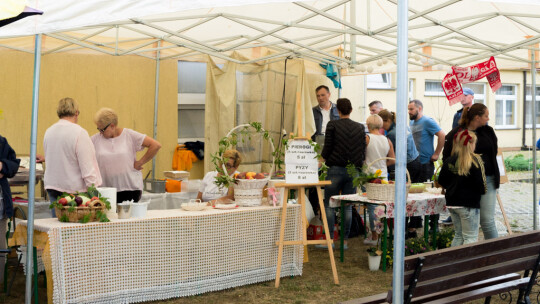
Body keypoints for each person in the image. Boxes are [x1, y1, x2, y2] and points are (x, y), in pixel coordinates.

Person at [443, 103, 499, 240]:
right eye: (486, 116)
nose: (488, 118)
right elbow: (447, 158)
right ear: (477, 117)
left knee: (487, 220)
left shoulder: (488, 131)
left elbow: (494, 152)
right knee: (463, 231)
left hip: (487, 180)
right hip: (464, 184)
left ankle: (495, 253)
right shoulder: (455, 134)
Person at [319, 98, 366, 250]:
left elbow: (327, 147)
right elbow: (362, 150)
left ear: (337, 110)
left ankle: (330, 240)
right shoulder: (360, 127)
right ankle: (344, 242)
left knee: (330, 204)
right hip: (353, 171)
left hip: (335, 169)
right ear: (351, 110)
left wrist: (321, 160)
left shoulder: (332, 125)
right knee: (346, 206)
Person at [92, 108, 162, 203]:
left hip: (129, 188)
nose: (100, 132)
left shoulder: (129, 135)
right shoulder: (95, 139)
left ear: (112, 126)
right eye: (98, 129)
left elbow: (155, 145)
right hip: (106, 191)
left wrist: (140, 162)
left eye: (102, 129)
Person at [44, 98, 102, 207]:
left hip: (53, 186)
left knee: (57, 222)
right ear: (76, 113)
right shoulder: (79, 133)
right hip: (75, 192)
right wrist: (94, 193)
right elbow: (87, 167)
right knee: (76, 222)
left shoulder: (49, 131)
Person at [378, 109, 423, 238]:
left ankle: (401, 230)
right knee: (413, 198)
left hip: (407, 166)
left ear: (387, 121)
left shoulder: (392, 133)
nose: (381, 128)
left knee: (403, 198)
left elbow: (394, 157)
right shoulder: (403, 126)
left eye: (382, 124)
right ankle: (412, 228)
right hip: (416, 161)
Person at [438, 129, 486, 246]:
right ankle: (468, 263)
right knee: (470, 237)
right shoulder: (475, 160)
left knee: (459, 235)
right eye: (474, 143)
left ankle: (454, 262)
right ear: (470, 144)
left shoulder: (449, 160)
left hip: (452, 203)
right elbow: (481, 184)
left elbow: (441, 181)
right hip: (469, 203)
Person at [443, 88, 475, 225]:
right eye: (460, 95)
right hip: (456, 151)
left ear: (472, 97)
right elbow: (453, 132)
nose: (462, 97)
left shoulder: (476, 112)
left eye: (465, 95)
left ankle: (468, 211)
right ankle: (454, 213)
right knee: (455, 181)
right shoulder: (457, 114)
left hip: (469, 150)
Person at [364, 114, 395, 245]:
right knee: (382, 206)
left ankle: (375, 235)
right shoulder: (387, 140)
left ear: (368, 125)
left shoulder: (367, 138)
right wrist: (382, 166)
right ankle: (382, 232)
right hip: (383, 175)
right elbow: (392, 159)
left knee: (372, 207)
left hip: (369, 175)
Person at [310, 85, 340, 216]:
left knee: (331, 179)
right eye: (318, 96)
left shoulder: (337, 110)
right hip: (317, 143)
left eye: (322, 95)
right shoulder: (313, 111)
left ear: (329, 94)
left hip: (334, 144)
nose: (320, 98)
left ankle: (330, 211)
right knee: (315, 179)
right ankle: (314, 210)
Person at [408, 99, 446, 182]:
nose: (409, 112)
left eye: (411, 109)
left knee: (424, 191)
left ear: (420, 108)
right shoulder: (411, 122)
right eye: (408, 109)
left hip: (425, 163)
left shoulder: (427, 121)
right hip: (414, 162)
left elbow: (442, 135)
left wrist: (436, 154)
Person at [0, 135, 20, 284]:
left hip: (0, 211)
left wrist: (2, 166)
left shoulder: (1, 141)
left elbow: (14, 164)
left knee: (1, 250)